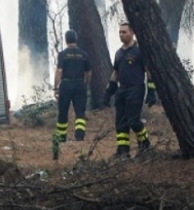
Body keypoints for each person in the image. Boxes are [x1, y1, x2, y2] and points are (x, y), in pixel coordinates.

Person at [102, 22, 157, 157]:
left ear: (132, 33)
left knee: (133, 120)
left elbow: (149, 71)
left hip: (136, 89)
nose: (121, 35)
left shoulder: (139, 51)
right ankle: (123, 151)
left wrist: (151, 91)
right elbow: (116, 73)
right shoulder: (118, 53)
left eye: (124, 32)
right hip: (122, 90)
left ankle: (145, 145)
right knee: (120, 122)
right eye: (120, 32)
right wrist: (108, 92)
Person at [53, 29, 92, 142]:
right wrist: (86, 84)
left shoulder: (62, 54)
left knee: (63, 111)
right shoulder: (84, 54)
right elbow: (89, 73)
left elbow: (59, 71)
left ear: (66, 40)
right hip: (80, 84)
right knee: (80, 111)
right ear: (76, 39)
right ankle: (79, 136)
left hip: (66, 84)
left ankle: (61, 137)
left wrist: (55, 87)